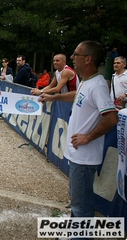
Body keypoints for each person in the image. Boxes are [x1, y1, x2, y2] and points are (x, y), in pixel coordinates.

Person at [39, 41, 118, 233]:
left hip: (85, 157)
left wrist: (88, 137)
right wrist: (52, 97)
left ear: (88, 59)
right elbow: (76, 96)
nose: (72, 58)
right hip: (78, 156)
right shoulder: (87, 81)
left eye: (76, 54)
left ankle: (80, 236)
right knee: (77, 201)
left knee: (81, 207)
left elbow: (112, 118)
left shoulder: (97, 85)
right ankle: (75, 232)